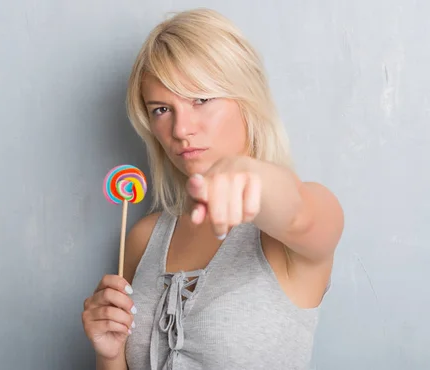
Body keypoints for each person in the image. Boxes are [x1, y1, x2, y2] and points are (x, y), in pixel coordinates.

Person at [82, 7, 344, 370]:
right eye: (161, 109)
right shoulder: (144, 238)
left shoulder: (305, 219)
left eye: (201, 99)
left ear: (246, 98)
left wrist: (246, 172)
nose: (181, 129)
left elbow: (297, 212)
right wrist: (108, 354)